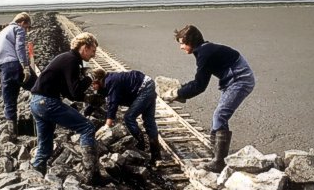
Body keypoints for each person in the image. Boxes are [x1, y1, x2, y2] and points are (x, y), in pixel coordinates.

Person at [163, 25, 255, 172]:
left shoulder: (204, 53)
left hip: (240, 80)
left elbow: (200, 85)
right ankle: (216, 156)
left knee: (220, 115)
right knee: (218, 118)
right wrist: (181, 91)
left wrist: (177, 93)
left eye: (182, 43)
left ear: (191, 41)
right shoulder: (203, 50)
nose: (180, 47)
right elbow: (200, 80)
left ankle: (218, 162)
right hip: (232, 80)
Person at [29, 32, 99, 182]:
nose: (94, 55)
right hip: (47, 102)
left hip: (36, 102)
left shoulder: (66, 58)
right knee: (87, 127)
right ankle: (91, 174)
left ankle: (35, 177)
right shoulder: (72, 60)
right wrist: (90, 77)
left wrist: (85, 98)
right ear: (85, 47)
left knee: (45, 146)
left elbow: (70, 94)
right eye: (93, 51)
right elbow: (75, 90)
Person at [91, 69, 161, 165]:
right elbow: (100, 99)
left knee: (129, 117)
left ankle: (141, 145)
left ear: (98, 80)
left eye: (93, 84)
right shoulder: (105, 84)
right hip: (146, 85)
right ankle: (156, 156)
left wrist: (107, 125)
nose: (92, 87)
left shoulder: (110, 81)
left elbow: (113, 104)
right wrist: (87, 112)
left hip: (144, 88)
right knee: (149, 122)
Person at [0, 12, 33, 140]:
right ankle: (47, 119)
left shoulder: (0, 34)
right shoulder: (17, 29)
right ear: (22, 22)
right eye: (27, 27)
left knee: (9, 101)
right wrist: (25, 66)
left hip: (3, 69)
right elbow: (19, 47)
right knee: (38, 87)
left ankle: (12, 134)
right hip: (15, 64)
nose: (27, 30)